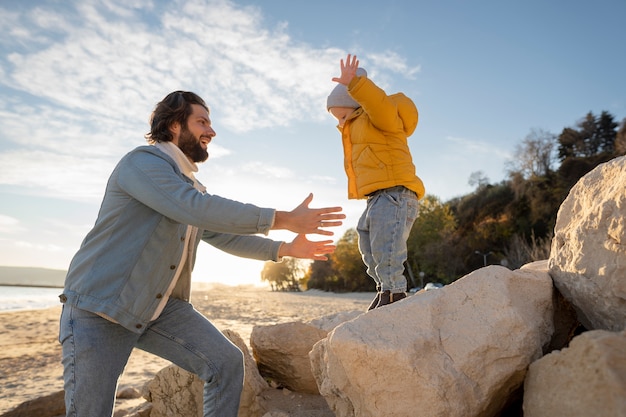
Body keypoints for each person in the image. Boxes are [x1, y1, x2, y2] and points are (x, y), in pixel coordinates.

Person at [58, 90, 345, 417]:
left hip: (159, 306)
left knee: (225, 363)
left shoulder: (188, 185)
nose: (211, 130)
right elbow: (194, 208)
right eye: (202, 121)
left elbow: (221, 234)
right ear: (174, 126)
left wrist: (285, 248)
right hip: (101, 308)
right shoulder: (141, 164)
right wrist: (281, 219)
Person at [327, 54, 425, 310]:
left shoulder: (381, 118)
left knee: (387, 247)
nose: (340, 123)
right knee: (367, 243)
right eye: (336, 118)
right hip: (376, 197)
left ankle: (395, 294)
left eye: (342, 116)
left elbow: (376, 103)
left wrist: (356, 85)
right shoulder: (357, 128)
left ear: (357, 105)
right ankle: (384, 288)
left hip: (395, 194)